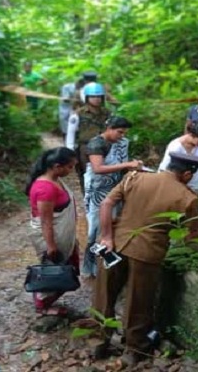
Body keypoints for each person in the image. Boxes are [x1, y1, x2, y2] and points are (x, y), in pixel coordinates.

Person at [93, 153, 198, 368]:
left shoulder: (135, 177)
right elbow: (187, 235)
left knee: (104, 294)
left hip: (112, 246)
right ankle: (134, 348)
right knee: (138, 302)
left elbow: (106, 203)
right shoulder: (187, 198)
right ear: (187, 174)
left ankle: (99, 341)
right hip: (146, 253)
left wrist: (106, 236)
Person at [81, 116, 143, 278]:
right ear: (109, 127)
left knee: (113, 224)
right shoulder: (97, 144)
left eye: (124, 133)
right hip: (98, 190)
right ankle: (93, 267)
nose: (121, 135)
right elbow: (98, 168)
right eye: (119, 132)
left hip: (115, 188)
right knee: (96, 228)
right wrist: (127, 165)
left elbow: (122, 164)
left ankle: (109, 263)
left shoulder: (121, 143)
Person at [25, 147, 80, 316]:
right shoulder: (45, 189)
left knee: (66, 267)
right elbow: (46, 222)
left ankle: (45, 299)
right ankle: (43, 305)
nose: (71, 171)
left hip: (62, 233)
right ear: (57, 166)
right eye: (69, 167)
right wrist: (51, 246)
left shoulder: (55, 179)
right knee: (52, 269)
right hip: (52, 236)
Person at [66, 82, 112, 192]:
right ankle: (88, 199)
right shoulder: (78, 114)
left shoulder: (107, 113)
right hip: (85, 148)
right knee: (87, 174)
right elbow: (71, 133)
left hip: (105, 147)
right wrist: (70, 152)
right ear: (87, 98)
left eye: (98, 96)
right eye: (93, 96)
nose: (96, 99)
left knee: (107, 173)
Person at [158, 123, 198, 193]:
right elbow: (166, 168)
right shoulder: (175, 146)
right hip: (174, 178)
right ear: (192, 135)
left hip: (193, 180)